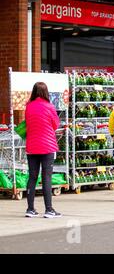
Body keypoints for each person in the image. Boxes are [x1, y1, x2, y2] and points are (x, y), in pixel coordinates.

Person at [25, 82, 61, 218]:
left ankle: (30, 209)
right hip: (47, 146)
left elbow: (28, 123)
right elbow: (56, 124)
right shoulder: (50, 107)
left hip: (32, 146)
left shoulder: (28, 107)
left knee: (32, 177)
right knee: (47, 177)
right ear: (46, 92)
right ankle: (49, 209)